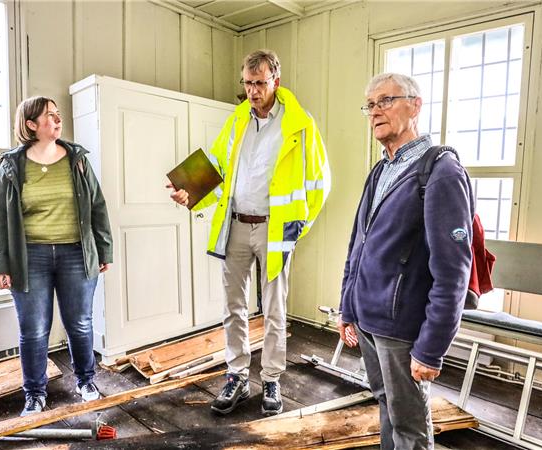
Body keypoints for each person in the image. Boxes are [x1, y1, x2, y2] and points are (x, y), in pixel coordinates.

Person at [168, 50, 330, 416]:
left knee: (274, 308)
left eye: (260, 83)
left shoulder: (299, 125)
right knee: (233, 306)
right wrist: (188, 192)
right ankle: (237, 375)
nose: (253, 90)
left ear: (276, 81)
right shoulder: (238, 119)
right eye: (247, 82)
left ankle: (271, 379)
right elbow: (216, 165)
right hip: (236, 225)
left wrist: (299, 224)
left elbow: (320, 181)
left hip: (275, 229)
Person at [337, 73, 473, 449]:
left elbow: (453, 272)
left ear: (415, 105)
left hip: (401, 326)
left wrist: (431, 348)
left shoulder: (441, 172)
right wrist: (347, 307)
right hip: (368, 319)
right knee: (386, 406)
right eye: (370, 105)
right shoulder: (381, 170)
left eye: (386, 101)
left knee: (409, 422)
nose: (375, 112)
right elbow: (357, 245)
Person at [0, 96, 113, 416]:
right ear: (31, 125)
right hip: (30, 258)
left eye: (58, 115)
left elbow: (97, 206)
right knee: (33, 329)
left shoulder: (77, 159)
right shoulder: (12, 165)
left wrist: (103, 248)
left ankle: (86, 382)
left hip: (76, 253)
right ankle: (34, 394)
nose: (57, 121)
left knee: (80, 324)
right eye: (49, 116)